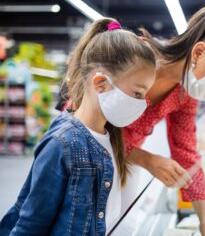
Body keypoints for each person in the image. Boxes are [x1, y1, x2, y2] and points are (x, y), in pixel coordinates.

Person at [0, 18, 156, 235]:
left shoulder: (112, 137)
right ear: (101, 83)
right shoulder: (62, 144)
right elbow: (30, 226)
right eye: (137, 93)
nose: (142, 103)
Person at [123, 2, 205, 236]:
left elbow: (186, 152)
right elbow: (91, 127)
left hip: (122, 163)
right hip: (80, 154)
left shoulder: (185, 93)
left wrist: (204, 218)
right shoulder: (136, 58)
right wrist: (147, 160)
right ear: (199, 52)